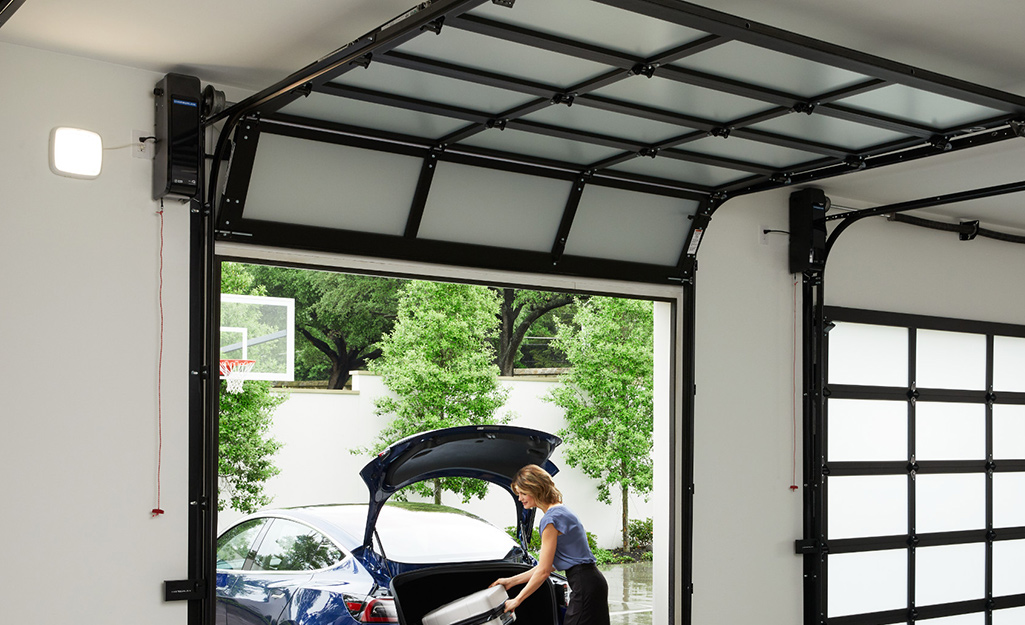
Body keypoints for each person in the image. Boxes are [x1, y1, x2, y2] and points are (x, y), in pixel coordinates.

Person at [491, 464, 610, 625]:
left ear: (536, 489)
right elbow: (549, 565)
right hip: (592, 582)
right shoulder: (561, 511)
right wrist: (511, 581)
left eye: (523, 493)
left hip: (584, 585)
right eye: (518, 494)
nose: (520, 498)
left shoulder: (550, 520)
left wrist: (517, 600)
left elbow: (544, 571)